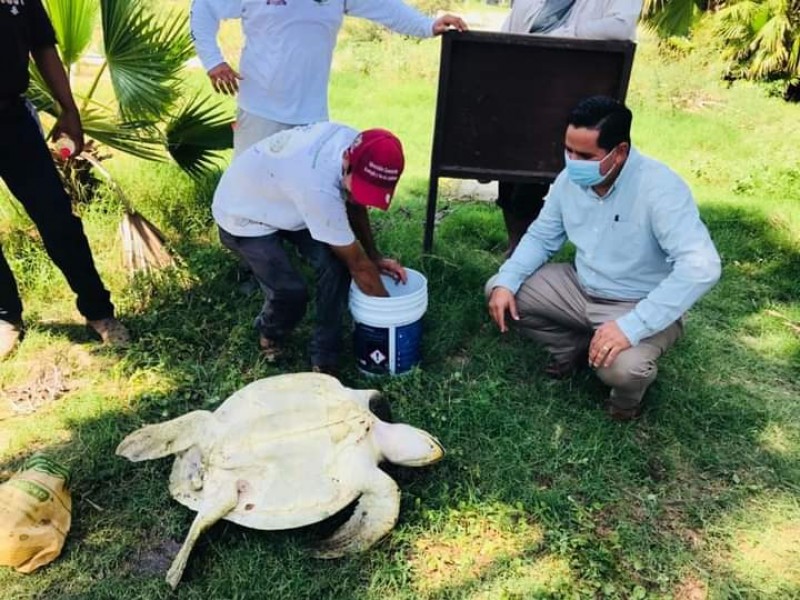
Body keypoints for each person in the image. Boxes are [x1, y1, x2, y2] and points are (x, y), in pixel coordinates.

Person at [486, 96, 721, 421]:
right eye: (568, 150)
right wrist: (508, 280)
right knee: (499, 290)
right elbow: (542, 236)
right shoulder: (569, 180)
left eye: (584, 155)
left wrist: (631, 327)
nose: (572, 162)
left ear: (620, 152)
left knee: (627, 371)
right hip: (579, 287)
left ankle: (625, 404)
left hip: (637, 302)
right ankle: (572, 348)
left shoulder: (660, 189)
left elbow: (702, 267)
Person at [212, 122, 410, 374]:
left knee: (335, 266)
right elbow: (358, 266)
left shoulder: (358, 147)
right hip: (244, 213)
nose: (361, 197)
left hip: (288, 200)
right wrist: (390, 316)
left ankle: (324, 357)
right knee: (290, 292)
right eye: (360, 187)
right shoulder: (318, 184)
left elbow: (355, 204)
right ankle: (269, 331)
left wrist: (375, 256)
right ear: (348, 159)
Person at [0, 0, 129, 360]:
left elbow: (43, 45)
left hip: (12, 121)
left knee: (57, 218)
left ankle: (99, 312)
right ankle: (6, 318)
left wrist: (69, 109)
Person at [190, 0, 467, 155]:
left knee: (300, 186)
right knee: (250, 185)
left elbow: (385, 8)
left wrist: (427, 25)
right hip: (260, 108)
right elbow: (203, 7)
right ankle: (248, 252)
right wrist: (213, 61)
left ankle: (296, 251)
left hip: (311, 113)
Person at [496, 0, 643, 254]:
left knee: (536, 179)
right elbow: (505, 35)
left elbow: (621, 27)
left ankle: (532, 249)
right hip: (524, 95)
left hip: (572, 99)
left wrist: (569, 31)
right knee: (511, 175)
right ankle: (517, 245)